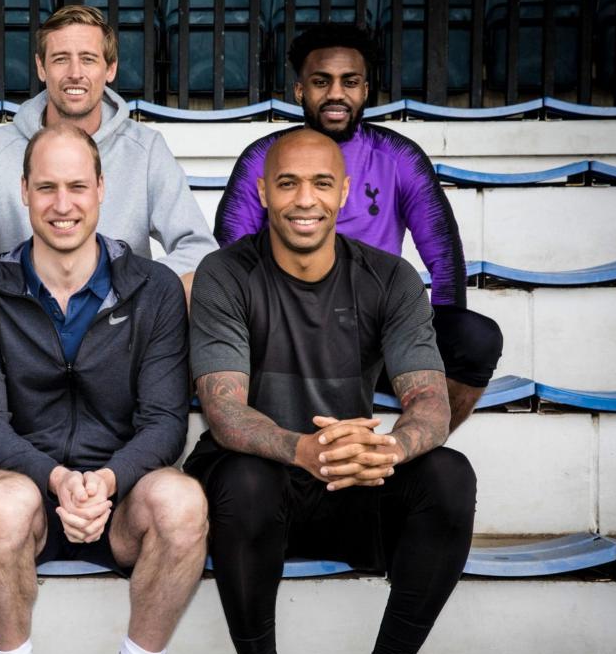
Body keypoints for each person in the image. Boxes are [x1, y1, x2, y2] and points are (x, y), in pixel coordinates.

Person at [187, 129, 476, 654]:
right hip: (262, 486)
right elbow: (224, 409)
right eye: (287, 183)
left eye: (322, 183)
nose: (305, 199)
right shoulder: (224, 273)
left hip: (353, 482)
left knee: (449, 476)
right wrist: (301, 448)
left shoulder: (390, 278)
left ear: (344, 192)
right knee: (242, 477)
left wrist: (387, 450)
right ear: (264, 192)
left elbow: (429, 402)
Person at [0, 124, 208, 654]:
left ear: (101, 189)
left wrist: (108, 481)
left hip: (123, 497)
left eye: (76, 187)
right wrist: (58, 478)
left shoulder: (157, 287)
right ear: (23, 193)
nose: (61, 205)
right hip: (28, 490)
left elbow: (166, 424)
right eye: (46, 188)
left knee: (184, 501)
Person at [212, 23, 501, 431]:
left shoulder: (398, 156)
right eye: (320, 81)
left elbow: (444, 256)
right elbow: (229, 258)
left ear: (365, 90)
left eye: (349, 82)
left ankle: (406, 454)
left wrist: (421, 344)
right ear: (300, 91)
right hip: (285, 333)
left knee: (475, 337)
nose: (335, 94)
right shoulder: (265, 157)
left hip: (376, 335)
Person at [0, 4, 216, 334]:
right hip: (25, 314)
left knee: (197, 286)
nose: (75, 72)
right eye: (60, 59)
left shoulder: (146, 147)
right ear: (41, 67)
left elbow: (199, 251)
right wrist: (39, 277)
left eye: (88, 58)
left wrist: (117, 281)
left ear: (110, 69)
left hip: (119, 315)